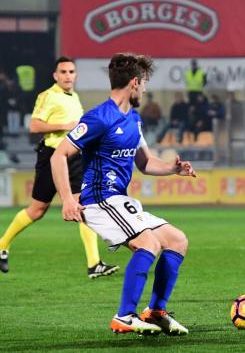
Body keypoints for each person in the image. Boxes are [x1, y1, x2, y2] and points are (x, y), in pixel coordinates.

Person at [51, 53, 196, 335]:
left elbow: (144, 163)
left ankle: (155, 312)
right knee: (148, 244)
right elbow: (59, 156)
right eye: (143, 84)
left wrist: (172, 169)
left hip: (119, 200)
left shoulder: (134, 119)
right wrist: (68, 198)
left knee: (177, 240)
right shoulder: (98, 117)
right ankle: (124, 315)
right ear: (134, 83)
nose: (144, 90)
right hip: (99, 200)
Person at [0, 57, 118, 278]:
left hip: (73, 158)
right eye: (63, 72)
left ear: (76, 75)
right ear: (55, 75)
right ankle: (2, 244)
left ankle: (94, 263)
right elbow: (34, 125)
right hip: (53, 156)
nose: (67, 75)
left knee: (82, 206)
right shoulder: (48, 96)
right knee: (37, 210)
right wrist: (64, 125)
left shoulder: (74, 97)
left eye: (71, 71)